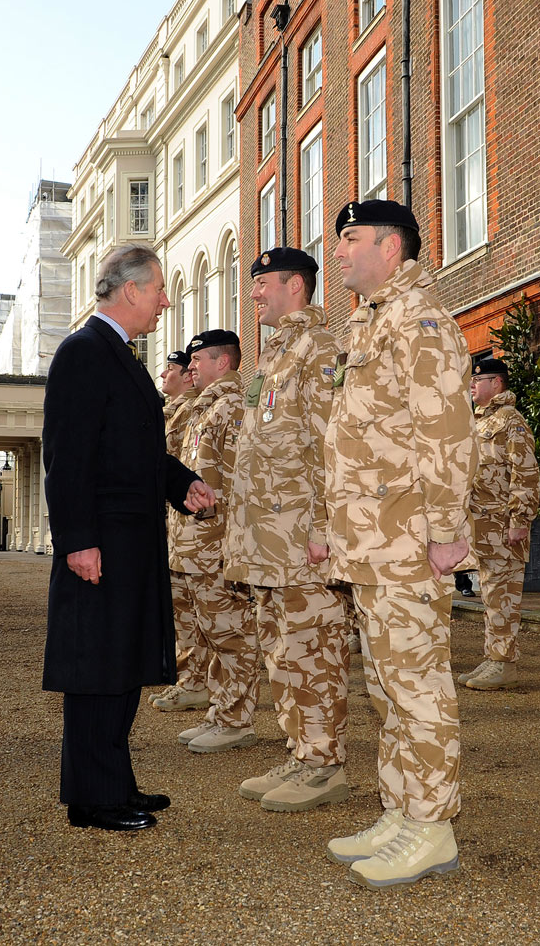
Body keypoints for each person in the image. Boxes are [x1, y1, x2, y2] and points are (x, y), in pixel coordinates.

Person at [323, 198, 475, 889]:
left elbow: (445, 431)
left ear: (390, 247)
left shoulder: (421, 322)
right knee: (387, 684)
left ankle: (433, 823)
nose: (339, 252)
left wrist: (446, 530)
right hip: (373, 540)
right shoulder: (373, 322)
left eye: (350, 238)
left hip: (409, 537)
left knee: (418, 685)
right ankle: (401, 806)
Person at [42, 242, 214, 833]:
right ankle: (95, 799)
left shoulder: (118, 354)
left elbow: (134, 449)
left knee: (118, 663)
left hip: (130, 541)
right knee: (97, 666)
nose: (167, 301)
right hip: (103, 544)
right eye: (161, 290)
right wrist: (77, 541)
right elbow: (67, 458)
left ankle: (113, 781)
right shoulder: (84, 352)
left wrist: (180, 481)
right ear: (131, 290)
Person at [225, 246, 350, 812]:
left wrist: (325, 527)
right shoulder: (276, 355)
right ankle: (303, 752)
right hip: (268, 541)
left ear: (296, 286)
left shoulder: (318, 349)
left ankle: (325, 763)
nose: (254, 293)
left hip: (302, 538)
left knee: (312, 648)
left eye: (264, 283)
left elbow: (333, 446)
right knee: (281, 649)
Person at [168, 329, 258, 754]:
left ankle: (236, 719)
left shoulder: (234, 407)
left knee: (230, 634)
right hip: (193, 544)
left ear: (222, 362)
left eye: (198, 360)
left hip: (216, 544)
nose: (190, 368)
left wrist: (232, 543)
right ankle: (220, 711)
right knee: (208, 633)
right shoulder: (206, 408)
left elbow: (242, 481)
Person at [455, 357, 539, 691]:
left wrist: (520, 520)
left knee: (503, 594)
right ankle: (494, 657)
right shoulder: (478, 421)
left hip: (503, 524)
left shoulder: (510, 422)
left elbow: (526, 473)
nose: (473, 385)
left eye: (480, 380)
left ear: (497, 384)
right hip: (482, 524)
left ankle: (504, 663)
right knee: (490, 594)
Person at [150, 348, 211, 714]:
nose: (165, 375)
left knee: (204, 614)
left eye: (171, 368)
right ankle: (190, 679)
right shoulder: (170, 412)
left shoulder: (193, 410)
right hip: (177, 526)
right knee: (183, 612)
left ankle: (198, 683)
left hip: (195, 526)